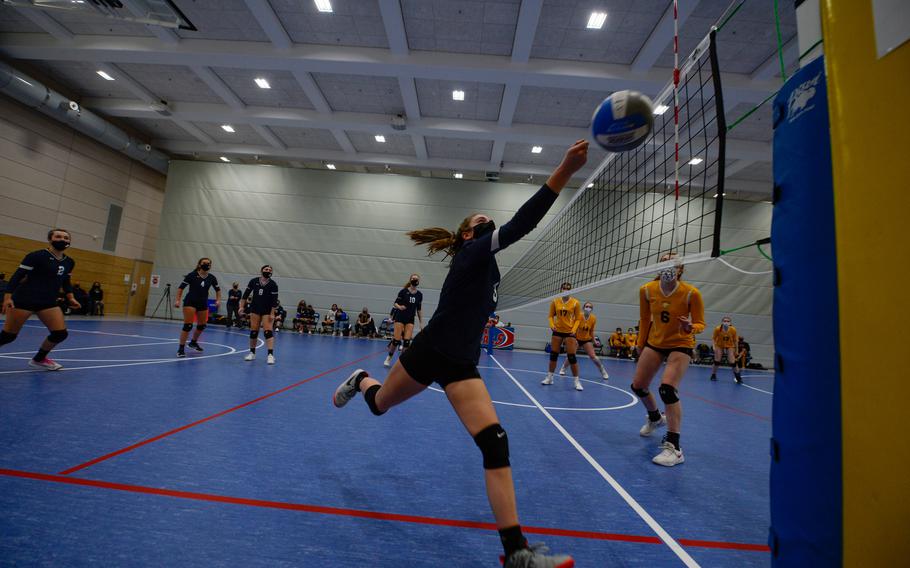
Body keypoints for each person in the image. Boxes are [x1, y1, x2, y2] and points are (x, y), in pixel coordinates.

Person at [332, 140, 587, 568]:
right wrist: (564, 169)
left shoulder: (490, 269)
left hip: (461, 365)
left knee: (495, 443)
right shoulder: (473, 251)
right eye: (482, 221)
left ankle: (516, 553)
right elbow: (524, 222)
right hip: (430, 351)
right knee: (378, 406)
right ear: (468, 234)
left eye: (491, 221)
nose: (490, 225)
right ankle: (362, 380)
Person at [631, 255, 705, 467]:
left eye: (673, 262)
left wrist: (691, 327)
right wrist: (640, 343)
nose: (667, 265)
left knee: (667, 389)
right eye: (663, 260)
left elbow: (700, 322)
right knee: (638, 386)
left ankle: (675, 448)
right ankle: (655, 418)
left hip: (681, 343)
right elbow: (645, 319)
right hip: (655, 342)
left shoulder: (691, 293)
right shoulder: (646, 290)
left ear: (680, 269)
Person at [0, 229, 80, 371]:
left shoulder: (69, 262)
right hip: (24, 299)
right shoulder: (36, 256)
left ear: (69, 242)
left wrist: (71, 297)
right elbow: (17, 276)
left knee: (60, 334)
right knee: (8, 336)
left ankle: (39, 359)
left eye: (66, 237)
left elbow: (66, 281)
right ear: (50, 239)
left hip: (48, 301)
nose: (62, 239)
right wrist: (7, 298)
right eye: (58, 236)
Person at [174, 257, 221, 358]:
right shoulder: (192, 275)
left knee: (202, 325)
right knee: (188, 326)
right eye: (204, 263)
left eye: (208, 263)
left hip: (203, 303)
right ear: (199, 264)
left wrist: (218, 300)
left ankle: (193, 342)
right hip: (190, 302)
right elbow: (180, 288)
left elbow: (218, 290)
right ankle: (181, 349)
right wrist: (177, 300)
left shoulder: (212, 277)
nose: (206, 265)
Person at [541, 282, 583, 390]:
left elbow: (578, 319)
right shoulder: (555, 301)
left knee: (572, 357)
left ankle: (577, 381)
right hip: (557, 331)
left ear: (571, 290)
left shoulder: (575, 303)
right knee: (554, 355)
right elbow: (550, 316)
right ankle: (550, 378)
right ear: (561, 289)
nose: (566, 290)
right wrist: (552, 325)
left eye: (568, 289)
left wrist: (574, 330)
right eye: (564, 288)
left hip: (570, 332)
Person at [558, 302, 609, 380]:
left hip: (586, 340)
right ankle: (563, 369)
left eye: (590, 307)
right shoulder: (578, 316)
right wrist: (571, 338)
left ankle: (603, 370)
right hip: (576, 338)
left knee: (593, 356)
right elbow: (572, 327)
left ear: (592, 309)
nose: (588, 308)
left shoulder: (593, 318)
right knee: (571, 355)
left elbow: (591, 331)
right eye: (587, 306)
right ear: (583, 308)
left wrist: (594, 341)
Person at [384, 274, 424, 367]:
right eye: (413, 278)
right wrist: (400, 307)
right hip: (400, 317)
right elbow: (395, 303)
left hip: (410, 319)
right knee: (396, 340)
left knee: (407, 341)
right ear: (410, 280)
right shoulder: (403, 292)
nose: (415, 280)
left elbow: (419, 309)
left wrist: (421, 322)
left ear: (418, 281)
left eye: (416, 279)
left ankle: (401, 362)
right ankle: (389, 357)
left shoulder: (419, 295)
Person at [240, 265, 278, 364]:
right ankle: (252, 353)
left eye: (270, 270)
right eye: (266, 269)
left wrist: (272, 313)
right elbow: (245, 295)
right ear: (261, 271)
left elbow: (274, 301)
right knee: (254, 332)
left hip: (267, 311)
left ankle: (270, 355)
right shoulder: (254, 281)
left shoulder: (273, 284)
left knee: (268, 332)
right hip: (255, 309)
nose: (268, 271)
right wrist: (241, 307)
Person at [710, 316, 741, 383]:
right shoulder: (718, 329)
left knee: (732, 362)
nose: (726, 322)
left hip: (730, 345)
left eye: (727, 321)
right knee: (717, 361)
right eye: (724, 321)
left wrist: (737, 350)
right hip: (719, 345)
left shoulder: (733, 330)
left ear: (730, 323)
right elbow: (713, 338)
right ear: (722, 322)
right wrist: (714, 347)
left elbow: (736, 341)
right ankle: (713, 375)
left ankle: (738, 377)